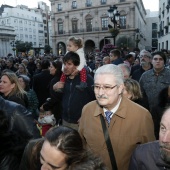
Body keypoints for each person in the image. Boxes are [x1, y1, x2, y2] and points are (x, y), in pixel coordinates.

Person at [79, 64, 155, 170]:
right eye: (97, 87)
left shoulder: (141, 116)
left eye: (107, 87)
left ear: (120, 88)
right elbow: (81, 147)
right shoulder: (87, 110)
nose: (100, 93)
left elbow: (150, 156)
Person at [54, 51, 95, 130]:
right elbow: (60, 99)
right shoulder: (63, 79)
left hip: (81, 123)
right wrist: (55, 88)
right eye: (64, 64)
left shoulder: (87, 79)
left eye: (69, 64)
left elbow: (96, 100)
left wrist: (86, 116)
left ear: (77, 66)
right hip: (65, 121)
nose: (65, 67)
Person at [20, 126, 86, 170]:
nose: (43, 169)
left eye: (53, 167)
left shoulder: (80, 166)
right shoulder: (32, 149)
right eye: (42, 158)